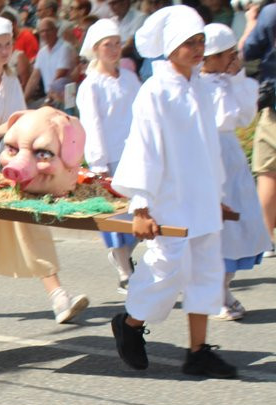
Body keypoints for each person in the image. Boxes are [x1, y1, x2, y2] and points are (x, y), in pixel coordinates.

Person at [110, 5, 236, 379]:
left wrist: (216, 194)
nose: (198, 49)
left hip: (201, 199)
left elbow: (207, 147)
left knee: (206, 272)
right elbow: (143, 147)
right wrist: (141, 206)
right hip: (169, 198)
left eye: (201, 42)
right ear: (170, 47)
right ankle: (130, 324)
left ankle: (198, 350)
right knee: (166, 270)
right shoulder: (155, 90)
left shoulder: (199, 85)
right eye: (189, 43)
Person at [0, 16, 90, 323]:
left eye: (7, 45)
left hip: (14, 167)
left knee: (31, 226)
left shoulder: (13, 81)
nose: (4, 51)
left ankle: (58, 297)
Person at [201, 23, 271, 321]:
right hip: (208, 157)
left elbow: (244, 115)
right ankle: (215, 294)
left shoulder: (230, 81)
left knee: (238, 224)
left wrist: (237, 78)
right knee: (216, 229)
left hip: (230, 157)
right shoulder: (197, 84)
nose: (232, 60)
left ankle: (224, 289)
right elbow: (220, 117)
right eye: (227, 55)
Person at [75, 18, 142, 292]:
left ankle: (123, 255)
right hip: (111, 157)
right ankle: (125, 268)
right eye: (107, 44)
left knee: (142, 210)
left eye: (117, 43)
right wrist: (99, 163)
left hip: (135, 154)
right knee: (117, 216)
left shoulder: (129, 78)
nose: (114, 49)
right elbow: (92, 124)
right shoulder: (91, 85)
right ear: (95, 48)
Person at [240, 2, 276, 257]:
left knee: (269, 171)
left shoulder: (271, 12)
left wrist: (251, 21)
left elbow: (247, 51)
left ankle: (265, 238)